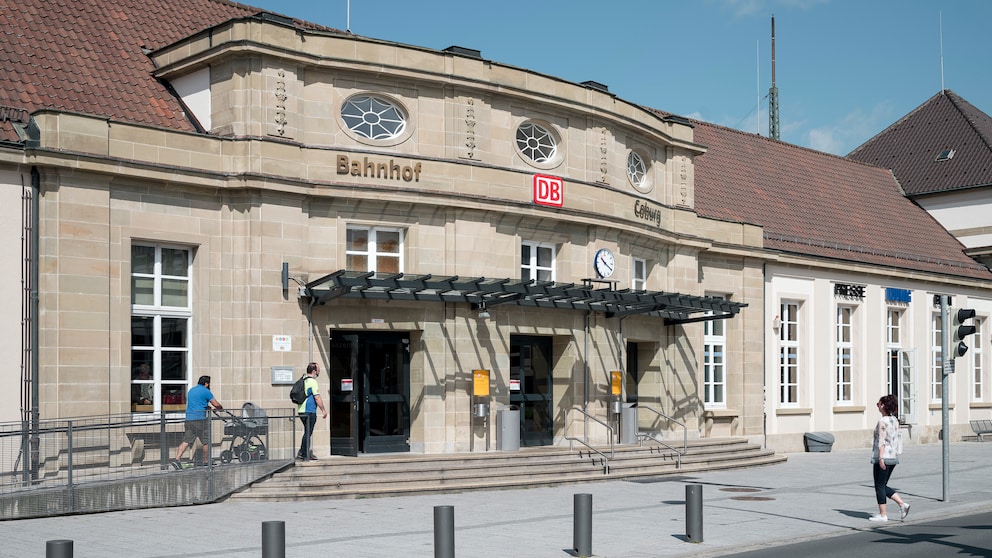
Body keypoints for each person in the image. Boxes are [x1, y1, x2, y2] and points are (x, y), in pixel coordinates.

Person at [869, 394, 910, 523]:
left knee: (879, 486)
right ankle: (902, 505)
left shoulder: (882, 421)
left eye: (879, 404)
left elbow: (882, 441)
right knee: (882, 485)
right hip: (892, 456)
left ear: (883, 406)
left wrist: (880, 458)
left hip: (883, 456)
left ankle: (883, 514)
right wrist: (897, 453)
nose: (878, 406)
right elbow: (898, 438)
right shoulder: (894, 420)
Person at [173, 375, 223, 468]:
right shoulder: (206, 391)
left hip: (189, 419)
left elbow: (197, 403)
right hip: (200, 419)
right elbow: (216, 404)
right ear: (206, 384)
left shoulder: (192, 390)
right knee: (206, 441)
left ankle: (177, 459)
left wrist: (207, 407)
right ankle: (206, 461)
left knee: (186, 440)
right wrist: (220, 408)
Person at [297, 362, 327, 461]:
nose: (319, 371)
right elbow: (317, 397)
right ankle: (303, 453)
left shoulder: (304, 380)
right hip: (309, 411)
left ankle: (304, 452)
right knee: (308, 432)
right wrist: (323, 410)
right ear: (314, 371)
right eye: (318, 369)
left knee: (307, 432)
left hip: (301, 410)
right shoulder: (312, 382)